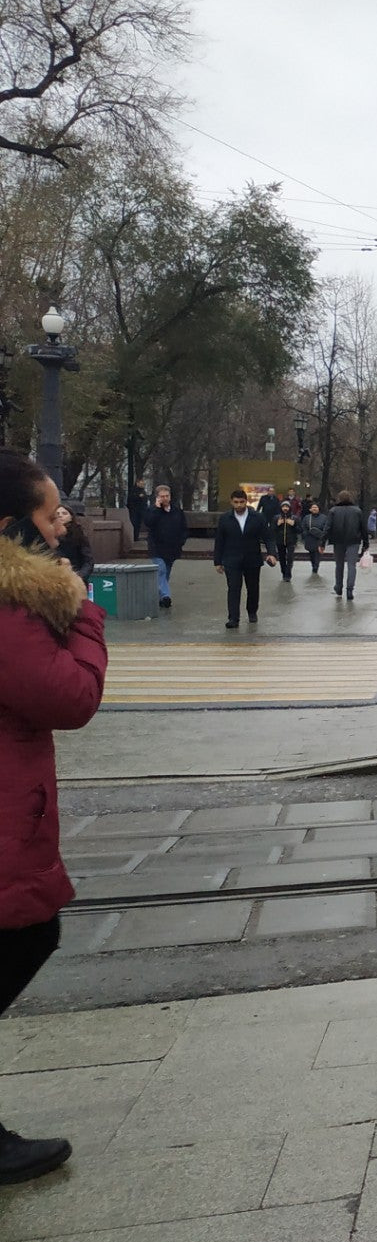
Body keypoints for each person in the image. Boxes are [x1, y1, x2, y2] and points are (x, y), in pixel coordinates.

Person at [0, 449, 108, 1185]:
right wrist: (87, 611)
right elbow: (70, 698)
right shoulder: (11, 608)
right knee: (30, 930)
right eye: (50, 513)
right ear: (14, 527)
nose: (62, 523)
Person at [212, 488, 276, 628]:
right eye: (236, 502)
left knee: (253, 588)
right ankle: (233, 618)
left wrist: (272, 553)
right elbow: (219, 541)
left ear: (246, 502)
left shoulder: (257, 517)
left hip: (252, 558)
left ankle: (252, 611)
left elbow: (268, 537)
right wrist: (217, 561)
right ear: (231, 502)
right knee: (233, 588)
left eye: (242, 502)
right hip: (231, 559)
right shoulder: (225, 518)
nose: (239, 505)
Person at [145, 484, 187, 610]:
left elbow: (183, 528)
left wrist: (181, 541)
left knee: (165, 574)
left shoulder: (177, 511)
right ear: (157, 497)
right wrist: (157, 509)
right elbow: (148, 523)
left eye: (166, 496)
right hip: (157, 548)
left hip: (172, 549)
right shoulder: (152, 510)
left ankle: (161, 599)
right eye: (162, 496)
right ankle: (166, 596)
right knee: (161, 570)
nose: (164, 498)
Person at [326, 491, 367, 601]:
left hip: (338, 541)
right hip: (353, 541)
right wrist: (366, 543)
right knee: (351, 565)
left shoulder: (333, 511)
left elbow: (328, 527)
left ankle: (338, 587)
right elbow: (363, 528)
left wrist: (322, 542)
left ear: (339, 499)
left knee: (339, 565)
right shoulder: (357, 511)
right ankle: (350, 589)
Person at [53, 503, 94, 585]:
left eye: (64, 513)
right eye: (57, 514)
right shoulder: (48, 534)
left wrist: (80, 577)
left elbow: (88, 560)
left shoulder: (79, 535)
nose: (60, 516)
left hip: (76, 579)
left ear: (71, 517)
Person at [298, 500, 328, 576]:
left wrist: (323, 536)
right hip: (310, 538)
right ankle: (313, 565)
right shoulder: (307, 517)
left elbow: (326, 528)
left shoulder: (324, 517)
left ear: (319, 508)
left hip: (319, 538)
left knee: (317, 554)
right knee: (311, 553)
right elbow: (303, 527)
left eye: (316, 507)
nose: (314, 509)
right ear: (310, 509)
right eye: (313, 507)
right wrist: (305, 534)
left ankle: (316, 567)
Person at [273, 500, 299, 582]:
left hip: (291, 541)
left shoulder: (294, 518)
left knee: (290, 558)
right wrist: (277, 525)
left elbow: (300, 530)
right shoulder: (276, 517)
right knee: (282, 558)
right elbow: (272, 530)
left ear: (289, 508)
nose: (285, 508)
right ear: (281, 508)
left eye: (287, 507)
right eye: (283, 507)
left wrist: (294, 525)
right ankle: (284, 573)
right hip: (280, 541)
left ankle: (288, 574)